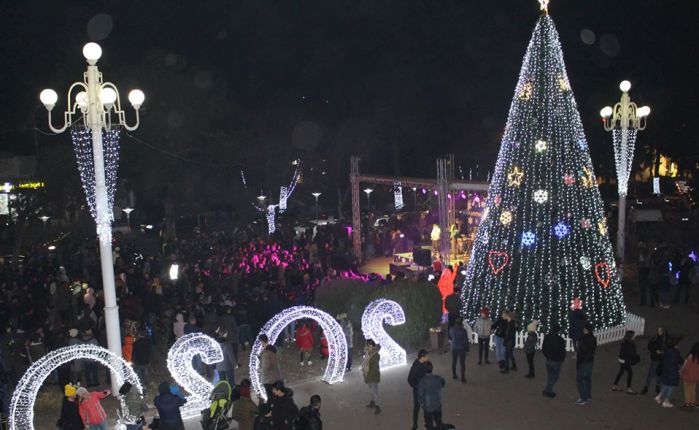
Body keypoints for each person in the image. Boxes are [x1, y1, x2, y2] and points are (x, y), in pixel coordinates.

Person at [655, 337, 683, 408]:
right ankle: (666, 401)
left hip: (666, 371)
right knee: (672, 386)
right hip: (672, 372)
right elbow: (680, 361)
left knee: (666, 384)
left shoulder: (666, 350)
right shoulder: (676, 352)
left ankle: (659, 396)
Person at [408, 349, 432, 430]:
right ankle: (415, 424)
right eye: (427, 356)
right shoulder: (415, 367)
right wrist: (417, 387)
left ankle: (426, 424)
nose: (428, 357)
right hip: (418, 391)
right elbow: (409, 379)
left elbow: (429, 371)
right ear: (422, 357)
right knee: (417, 407)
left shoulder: (424, 363)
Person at [417, 365, 446, 430]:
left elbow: (420, 395)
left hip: (428, 406)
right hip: (437, 403)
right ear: (432, 369)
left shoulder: (422, 381)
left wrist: (422, 404)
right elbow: (443, 383)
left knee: (429, 423)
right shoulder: (438, 378)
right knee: (439, 421)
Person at [641, 326, 668, 395]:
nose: (659, 332)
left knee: (660, 374)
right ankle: (646, 387)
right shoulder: (654, 338)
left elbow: (668, 348)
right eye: (658, 330)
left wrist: (663, 352)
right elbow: (649, 346)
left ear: (663, 331)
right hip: (655, 359)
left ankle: (657, 387)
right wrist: (655, 350)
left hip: (662, 359)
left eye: (660, 330)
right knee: (651, 373)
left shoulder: (665, 339)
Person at [541, 323, 566, 398]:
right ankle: (547, 389)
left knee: (550, 376)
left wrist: (547, 355)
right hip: (556, 360)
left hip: (549, 359)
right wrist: (561, 359)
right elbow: (562, 351)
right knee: (555, 376)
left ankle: (549, 390)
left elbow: (543, 348)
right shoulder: (560, 339)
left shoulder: (547, 337)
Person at [575, 324, 597, 405]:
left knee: (580, 379)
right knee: (587, 379)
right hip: (590, 361)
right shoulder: (593, 338)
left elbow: (582, 352)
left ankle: (583, 398)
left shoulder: (584, 339)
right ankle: (588, 396)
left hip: (583, 362)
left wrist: (579, 363)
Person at [259, 334, 282, 402]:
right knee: (275, 396)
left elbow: (266, 367)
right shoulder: (273, 349)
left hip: (268, 379)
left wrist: (259, 369)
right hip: (276, 376)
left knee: (270, 397)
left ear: (262, 341)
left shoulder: (266, 353)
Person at [362, 339, 382, 414]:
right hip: (371, 375)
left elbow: (374, 368)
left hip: (372, 376)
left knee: (374, 391)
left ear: (373, 346)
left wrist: (367, 374)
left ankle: (378, 406)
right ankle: (373, 402)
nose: (368, 347)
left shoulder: (374, 355)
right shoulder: (369, 353)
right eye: (367, 345)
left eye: (369, 346)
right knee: (373, 390)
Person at [449, 317, 468, 383]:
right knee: (462, 363)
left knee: (454, 362)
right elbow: (465, 341)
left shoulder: (451, 329)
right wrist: (467, 349)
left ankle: (454, 375)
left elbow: (451, 336)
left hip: (454, 347)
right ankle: (463, 378)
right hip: (461, 348)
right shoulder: (463, 330)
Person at [681, 342, 699, 408]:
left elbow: (685, 366)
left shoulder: (690, 356)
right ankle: (692, 402)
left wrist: (681, 372)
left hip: (687, 375)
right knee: (693, 389)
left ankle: (687, 403)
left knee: (687, 390)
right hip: (695, 376)